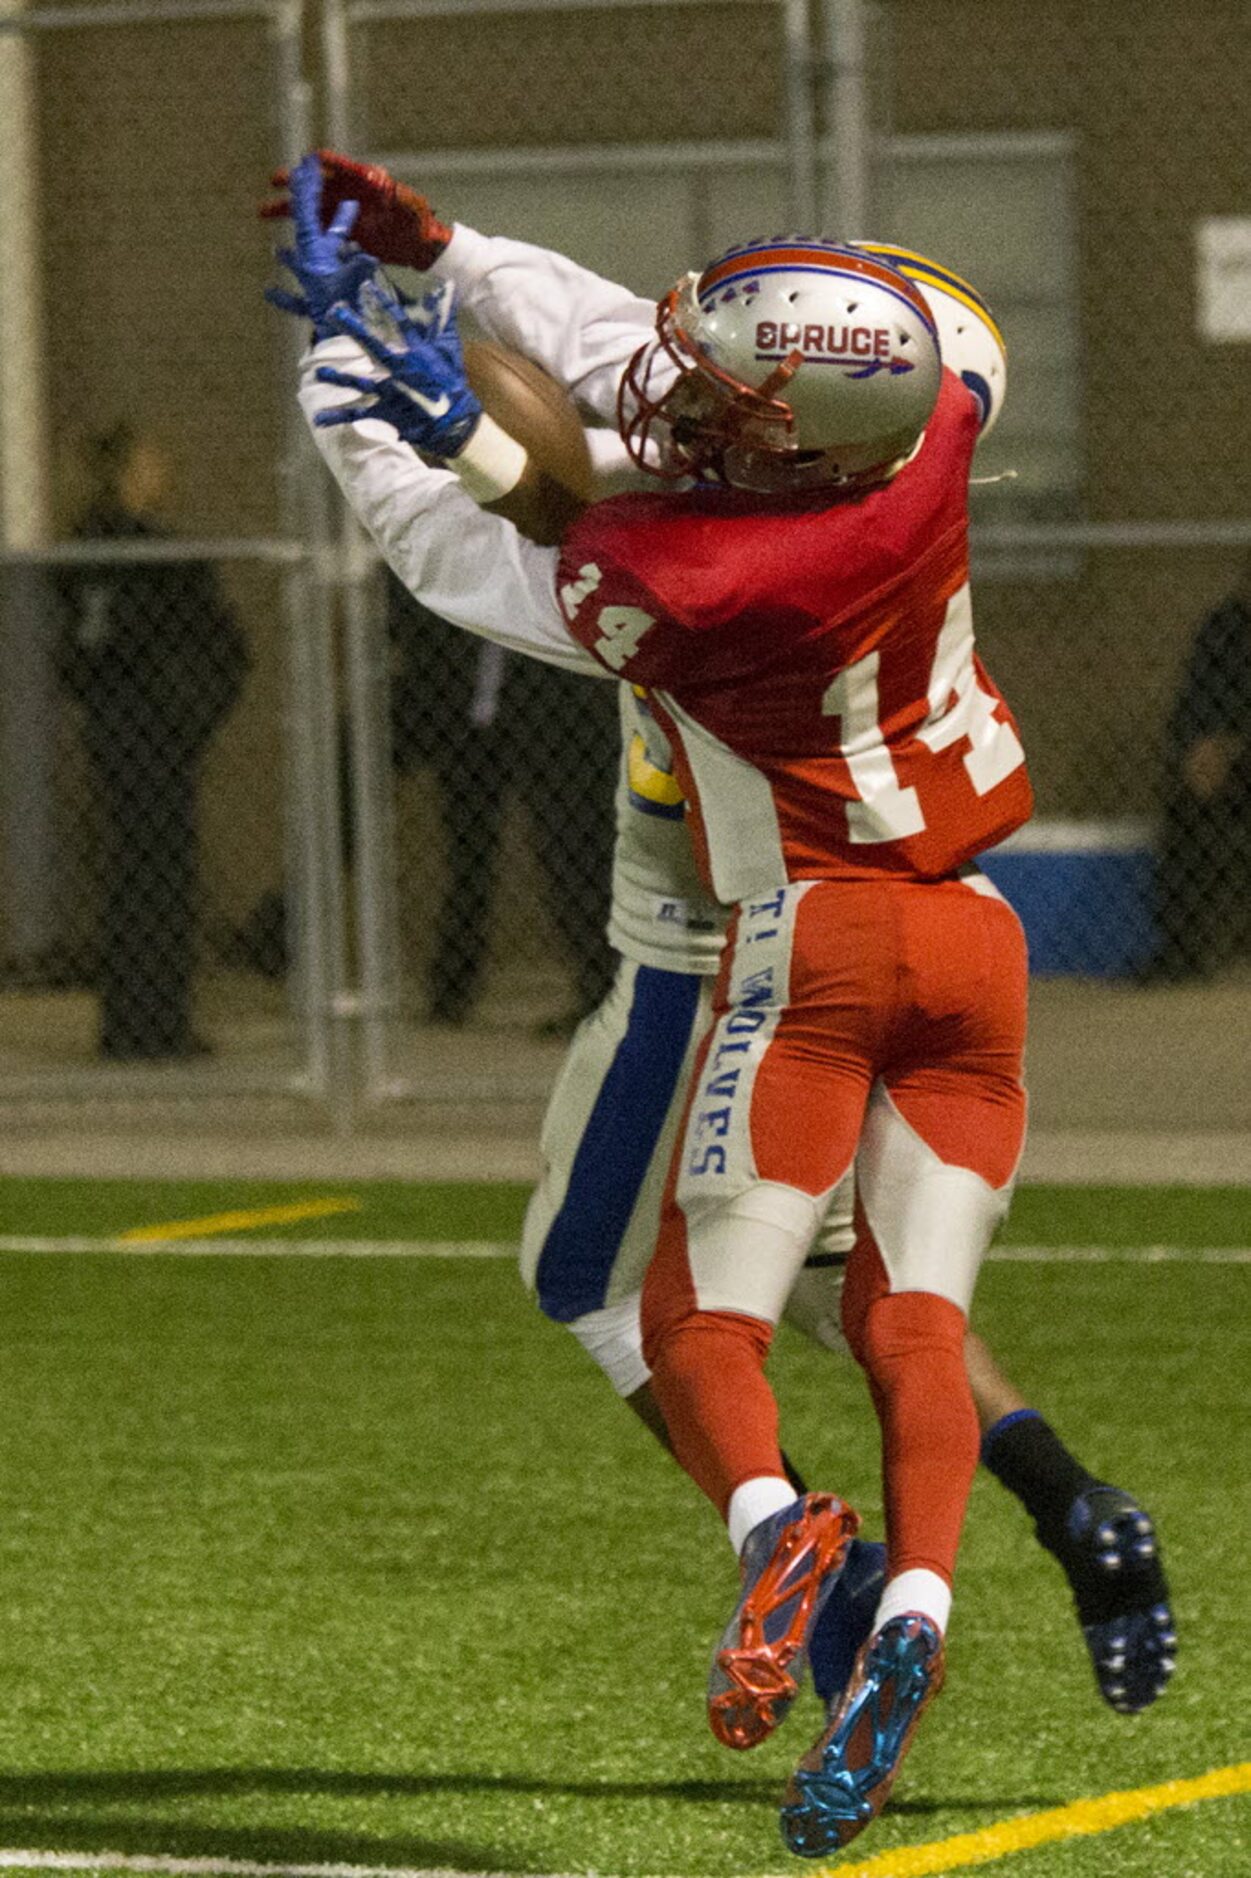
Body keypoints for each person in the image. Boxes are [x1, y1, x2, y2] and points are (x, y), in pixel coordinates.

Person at [265, 158, 1174, 1852]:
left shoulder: (688, 587)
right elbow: (626, 376)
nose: (674, 381)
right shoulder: (938, 399)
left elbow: (470, 537)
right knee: (877, 1289)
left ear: (790, 435)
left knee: (608, 1283)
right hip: (960, 918)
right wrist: (457, 260)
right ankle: (1044, 1515)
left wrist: (353, 370)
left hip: (741, 938)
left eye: (729, 393)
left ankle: (796, 1568)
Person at [57, 425, 249, 1060]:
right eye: (150, 461)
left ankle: (136, 1023)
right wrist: (184, 715)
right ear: (127, 472)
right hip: (151, 732)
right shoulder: (144, 557)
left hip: (131, 730)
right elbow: (223, 647)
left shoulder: (91, 551)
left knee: (137, 874)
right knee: (157, 875)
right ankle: (152, 1025)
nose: (162, 472)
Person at [388, 578, 617, 1028]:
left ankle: (599, 989)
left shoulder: (542, 555)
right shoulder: (453, 559)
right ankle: (451, 991)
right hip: (464, 725)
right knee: (467, 856)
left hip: (551, 723)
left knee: (570, 854)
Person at [1138, 553, 1251, 982]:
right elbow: (1193, 705)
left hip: (1239, 753)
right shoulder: (1225, 628)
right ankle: (1182, 953)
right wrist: (1201, 748)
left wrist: (1231, 744)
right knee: (1188, 814)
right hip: (1232, 773)